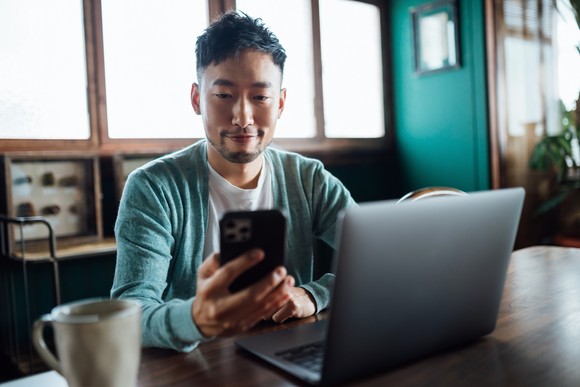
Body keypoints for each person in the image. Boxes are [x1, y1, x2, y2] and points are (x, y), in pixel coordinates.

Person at [111, 11, 355, 352]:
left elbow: (378, 261)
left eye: (260, 97)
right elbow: (130, 314)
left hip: (288, 354)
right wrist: (197, 319)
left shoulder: (308, 179)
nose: (243, 117)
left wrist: (315, 294)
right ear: (197, 99)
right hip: (191, 367)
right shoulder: (153, 188)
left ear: (281, 102)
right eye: (224, 95)